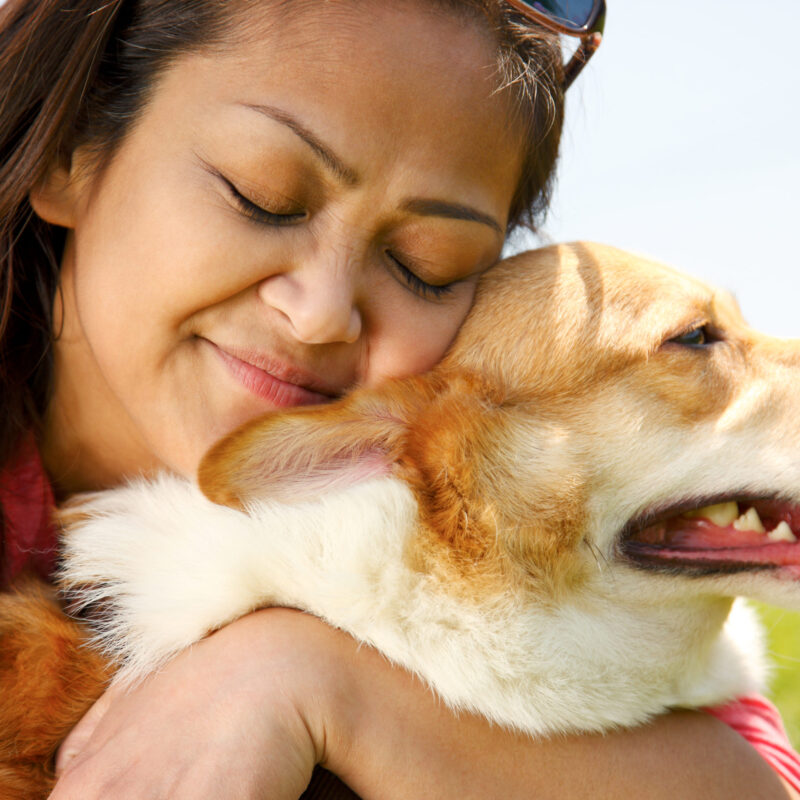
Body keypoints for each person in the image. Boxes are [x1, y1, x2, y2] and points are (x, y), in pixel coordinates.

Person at [0, 1, 798, 798]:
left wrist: (313, 683)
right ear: (70, 147)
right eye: (262, 196)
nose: (319, 314)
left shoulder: (448, 502)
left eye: (428, 265)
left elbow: (754, 778)